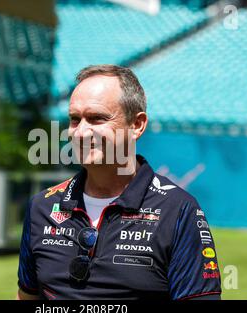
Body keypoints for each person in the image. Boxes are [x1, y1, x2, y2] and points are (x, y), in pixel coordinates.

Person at [17, 65, 221, 300]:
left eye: (97, 118)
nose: (81, 132)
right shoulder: (41, 207)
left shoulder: (178, 210)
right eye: (74, 120)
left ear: (137, 125)